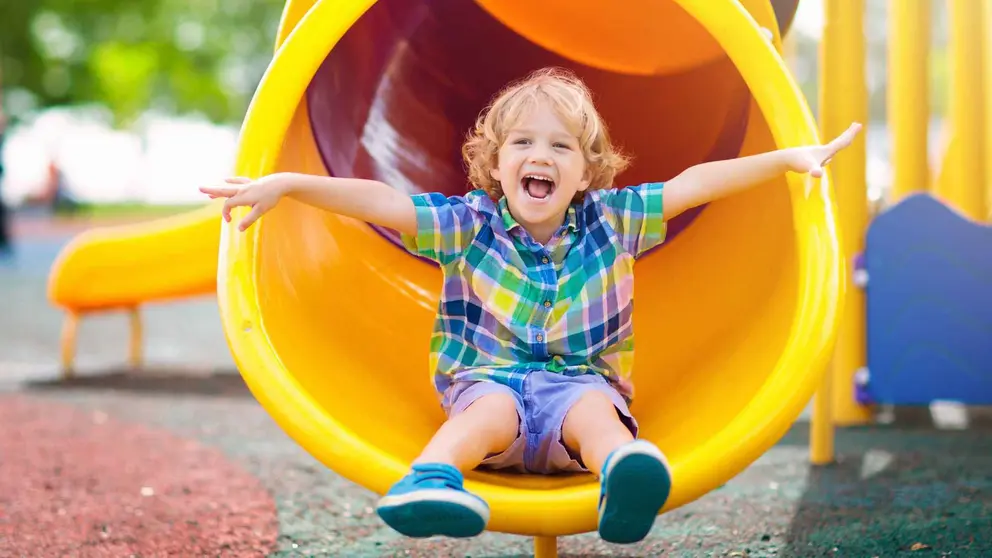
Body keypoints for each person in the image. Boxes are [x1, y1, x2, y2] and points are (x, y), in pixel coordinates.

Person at [201, 67, 861, 544]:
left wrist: (785, 159)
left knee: (597, 413)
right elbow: (381, 202)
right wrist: (286, 184)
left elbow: (694, 185)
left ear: (587, 171)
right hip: (491, 389)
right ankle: (430, 479)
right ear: (495, 163)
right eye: (521, 143)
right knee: (488, 407)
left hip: (578, 389)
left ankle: (624, 474)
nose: (539, 156)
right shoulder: (469, 222)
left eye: (560, 146)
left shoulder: (614, 218)